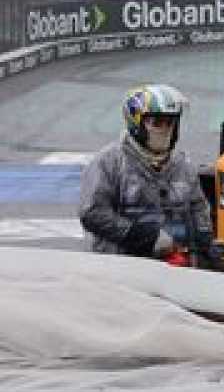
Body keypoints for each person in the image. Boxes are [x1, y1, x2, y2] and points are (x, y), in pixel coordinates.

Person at [78, 83, 213, 265]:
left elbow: (198, 209)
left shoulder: (183, 165)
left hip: (174, 267)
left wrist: (204, 242)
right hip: (119, 266)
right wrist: (141, 236)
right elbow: (92, 212)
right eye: (157, 122)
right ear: (137, 123)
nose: (165, 129)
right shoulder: (109, 161)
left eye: (170, 122)